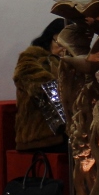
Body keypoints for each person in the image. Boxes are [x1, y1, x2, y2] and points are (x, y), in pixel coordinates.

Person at [13, 19, 67, 152]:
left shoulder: (71, 61)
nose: (64, 49)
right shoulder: (30, 58)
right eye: (60, 43)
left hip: (66, 130)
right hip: (39, 134)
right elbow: (42, 86)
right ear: (49, 39)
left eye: (69, 45)